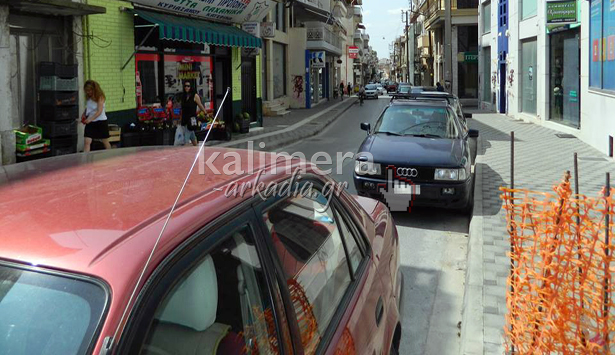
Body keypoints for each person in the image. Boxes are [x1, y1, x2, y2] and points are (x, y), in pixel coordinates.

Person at [175, 80, 208, 147]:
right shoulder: (184, 96)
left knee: (186, 139)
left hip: (191, 120)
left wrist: (205, 113)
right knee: (192, 136)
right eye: (185, 86)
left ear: (191, 87)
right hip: (184, 119)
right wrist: (180, 119)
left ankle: (186, 154)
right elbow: (183, 109)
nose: (186, 87)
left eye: (188, 86)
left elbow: (200, 105)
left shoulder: (195, 96)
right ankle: (196, 149)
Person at [81, 80, 110, 152]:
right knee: (87, 142)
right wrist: (84, 114)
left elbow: (99, 111)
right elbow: (88, 107)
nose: (88, 92)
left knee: (105, 141)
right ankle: (86, 159)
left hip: (101, 121)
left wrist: (90, 119)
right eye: (86, 91)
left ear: (94, 89)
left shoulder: (100, 97)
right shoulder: (88, 97)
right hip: (91, 122)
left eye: (89, 90)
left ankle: (110, 155)